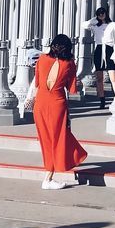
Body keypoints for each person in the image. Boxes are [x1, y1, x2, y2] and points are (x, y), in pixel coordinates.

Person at [33, 34, 87, 190]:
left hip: (41, 103)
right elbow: (71, 88)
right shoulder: (69, 63)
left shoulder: (42, 59)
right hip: (57, 103)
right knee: (58, 138)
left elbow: (37, 82)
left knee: (46, 140)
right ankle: (48, 177)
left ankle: (57, 166)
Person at [85, 7, 115, 109]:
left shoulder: (113, 25)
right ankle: (102, 100)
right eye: (99, 13)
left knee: (113, 77)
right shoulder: (95, 25)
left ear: (106, 13)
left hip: (109, 49)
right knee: (99, 78)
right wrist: (94, 19)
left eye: (102, 13)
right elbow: (85, 25)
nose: (101, 15)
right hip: (99, 49)